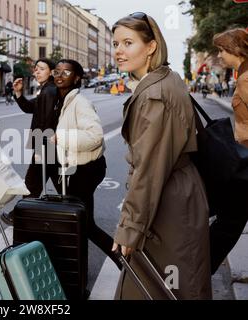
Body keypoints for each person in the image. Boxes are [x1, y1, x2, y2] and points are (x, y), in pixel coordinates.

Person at [111, 13, 211, 299]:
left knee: (164, 288)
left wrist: (130, 228)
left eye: (128, 42)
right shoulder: (168, 78)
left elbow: (149, 169)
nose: (119, 50)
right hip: (176, 196)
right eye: (116, 43)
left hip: (167, 206)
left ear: (151, 46)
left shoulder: (154, 94)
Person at [51, 59, 122, 269]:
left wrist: (62, 137)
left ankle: (119, 256)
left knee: (83, 223)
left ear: (77, 78)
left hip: (83, 170)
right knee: (82, 222)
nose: (60, 75)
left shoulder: (80, 102)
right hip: (78, 168)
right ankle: (82, 270)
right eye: (57, 71)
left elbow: (95, 136)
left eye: (66, 72)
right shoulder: (63, 100)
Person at [0, 58, 61, 225]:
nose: (36, 72)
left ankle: (19, 214)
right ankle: (20, 213)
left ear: (51, 72)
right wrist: (19, 93)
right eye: (36, 69)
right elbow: (30, 108)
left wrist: (40, 149)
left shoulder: (49, 91)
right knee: (42, 182)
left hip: (46, 146)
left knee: (32, 182)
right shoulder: (47, 89)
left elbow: (46, 121)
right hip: (48, 145)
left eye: (41, 68)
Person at [209, 28, 248, 274]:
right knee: (228, 220)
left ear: (237, 49)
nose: (219, 55)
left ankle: (198, 270)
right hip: (243, 159)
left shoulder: (246, 80)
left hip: (246, 162)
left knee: (227, 222)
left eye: (222, 50)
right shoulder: (242, 75)